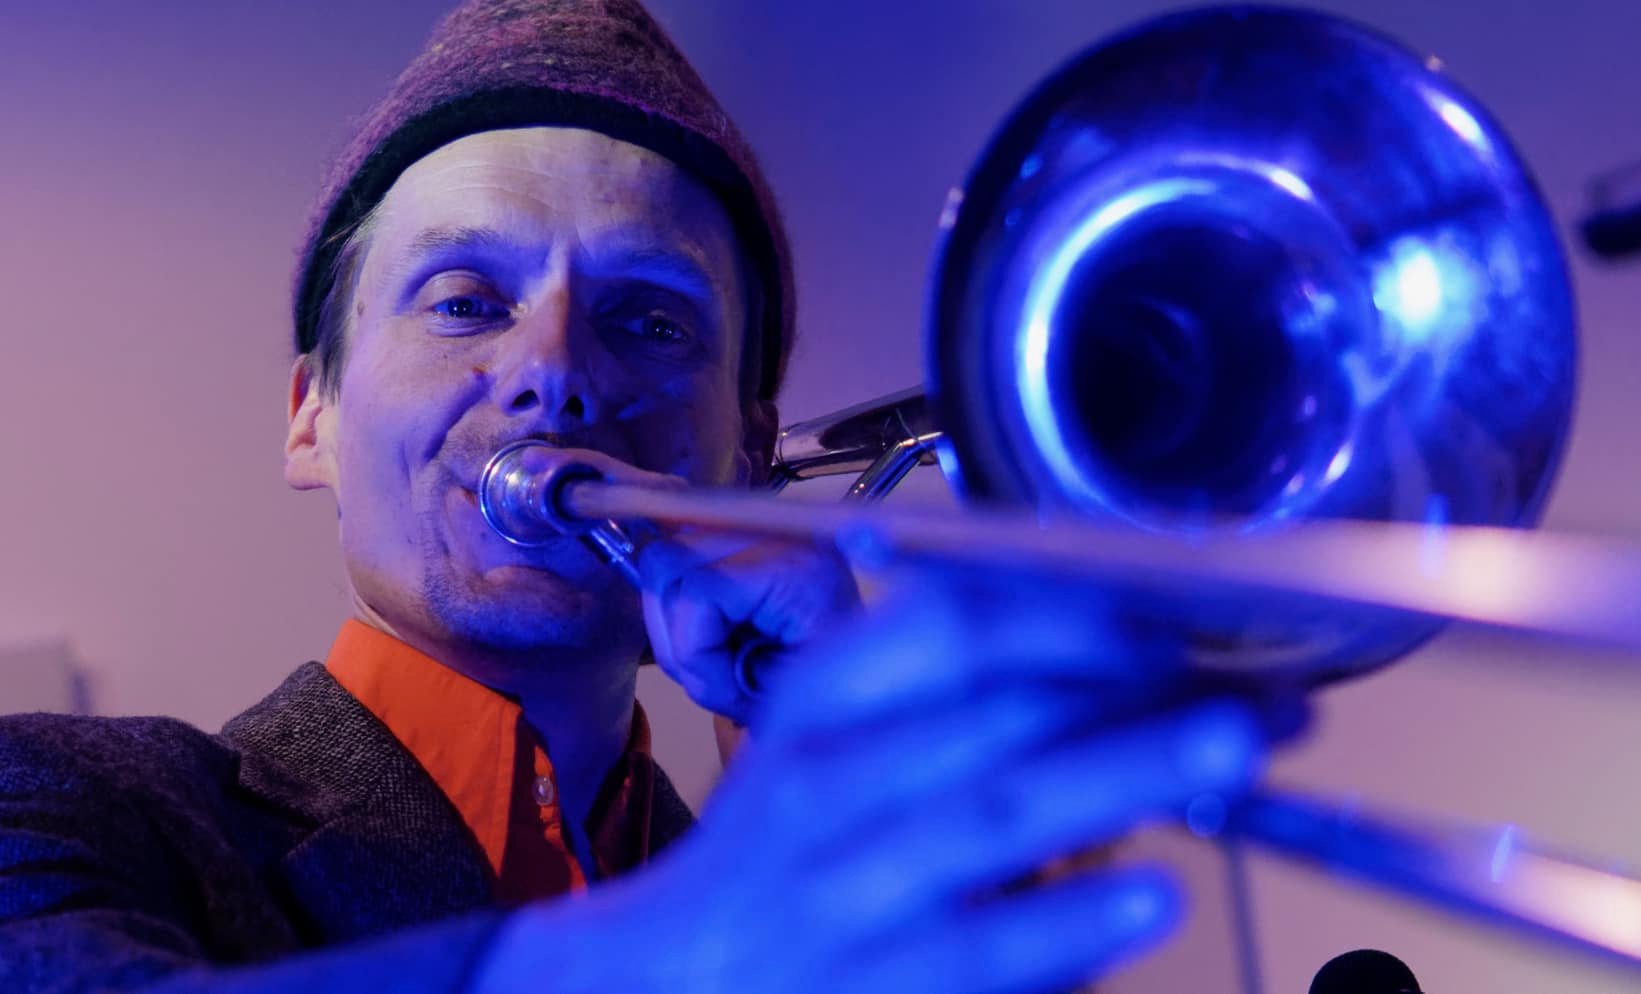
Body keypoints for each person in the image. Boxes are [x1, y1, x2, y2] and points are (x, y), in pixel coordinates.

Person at [0, 1, 1299, 992]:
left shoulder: (797, 898)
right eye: (465, 302)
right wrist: (667, 953)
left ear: (745, 451)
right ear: (310, 416)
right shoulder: (65, 792)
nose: (557, 368)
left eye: (651, 319)